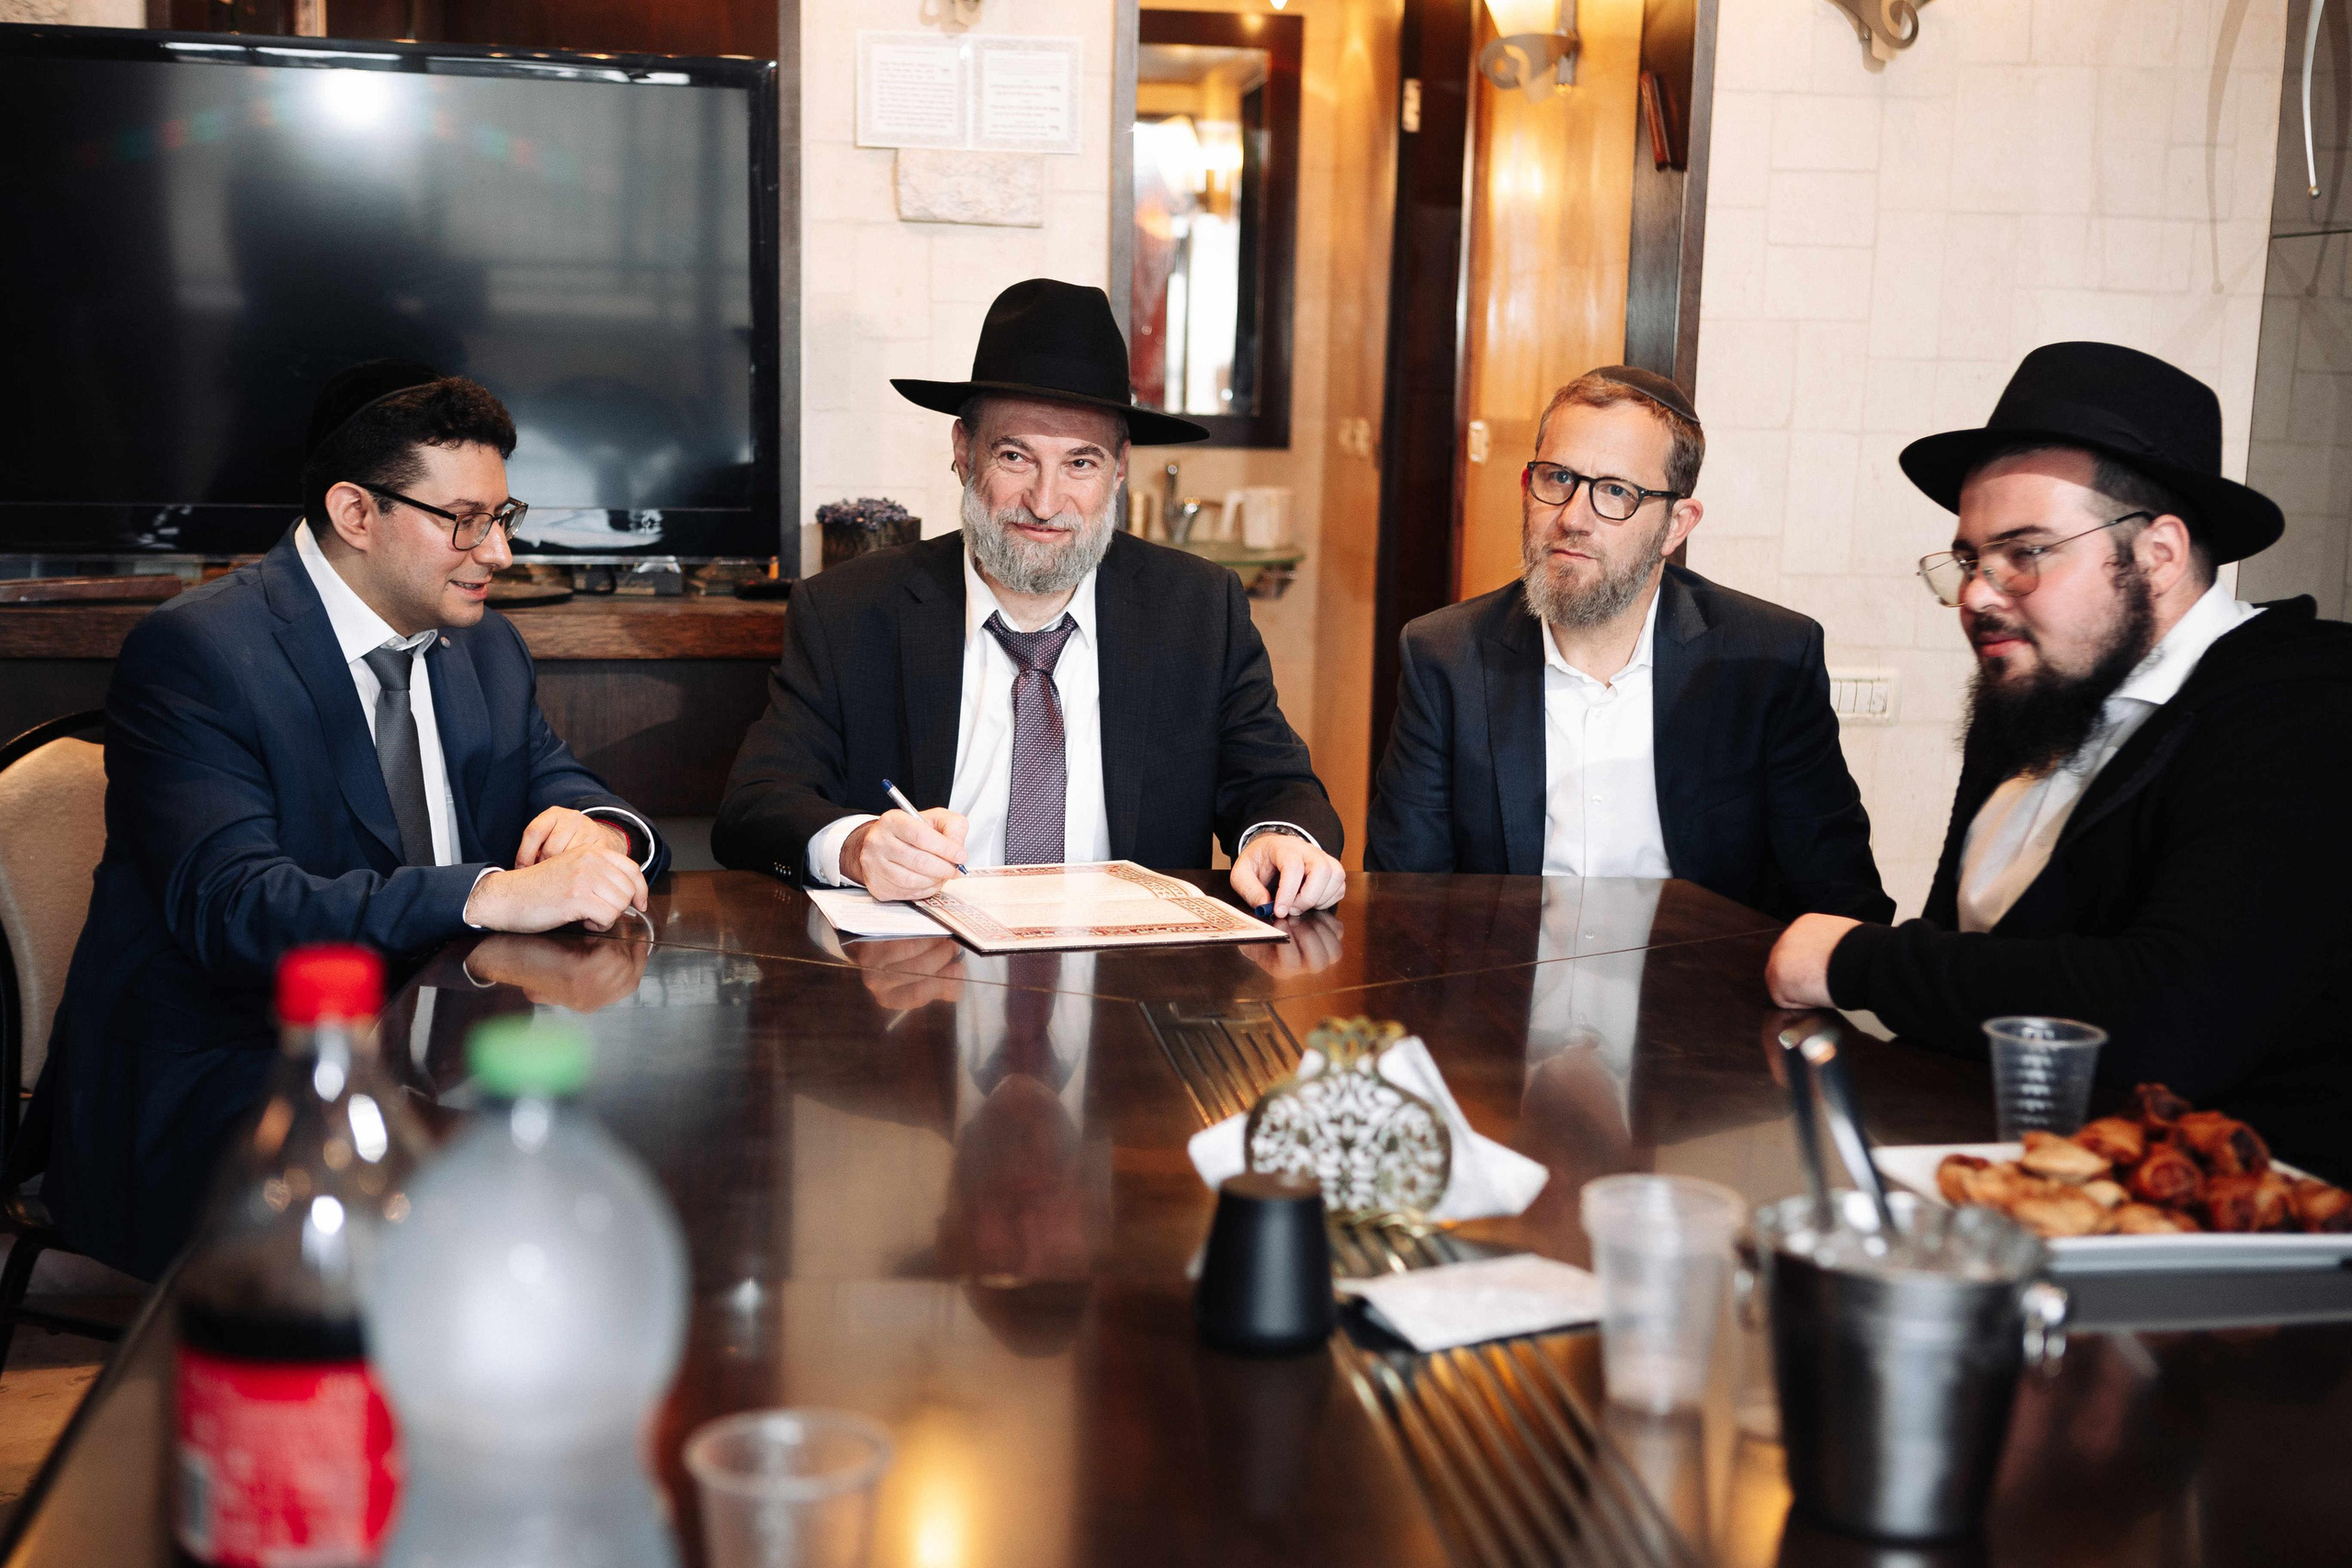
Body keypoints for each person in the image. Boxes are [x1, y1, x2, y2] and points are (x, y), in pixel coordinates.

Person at [35, 361, 670, 1278]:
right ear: (356, 513)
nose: (497, 554)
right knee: (469, 1221)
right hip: (237, 1061)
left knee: (626, 1146)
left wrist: (596, 829)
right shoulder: (200, 652)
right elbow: (238, 908)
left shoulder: (482, 642)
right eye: (463, 521)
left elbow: (555, 777)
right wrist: (489, 894)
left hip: (435, 1044)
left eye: (502, 518)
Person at [1766, 342, 2352, 1179]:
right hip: (2015, 1180)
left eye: (2026, 552)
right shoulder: (2039, 693)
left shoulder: (2304, 706)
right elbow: (1963, 958)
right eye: (1970, 559)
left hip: (2239, 1242)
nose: (1976, 592)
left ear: (2159, 552)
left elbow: (2170, 1018)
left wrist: (1854, 959)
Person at [714, 278, 1346, 915]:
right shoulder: (849, 610)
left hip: (1133, 982)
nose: (1045, 503)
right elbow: (754, 806)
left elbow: (1278, 786)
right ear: (963, 452)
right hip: (917, 983)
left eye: (1080, 463)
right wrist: (855, 847)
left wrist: (1281, 839)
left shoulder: (1198, 608)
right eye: (1015, 456)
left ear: (1120, 468)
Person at [1363, 367, 1892, 922]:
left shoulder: (1768, 661)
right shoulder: (1445, 657)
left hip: (1699, 996)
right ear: (1526, 487)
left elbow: (1842, 905)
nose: (1573, 517)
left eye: (1616, 491)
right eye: (1557, 478)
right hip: (1505, 996)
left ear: (1675, 525)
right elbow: (1405, 903)